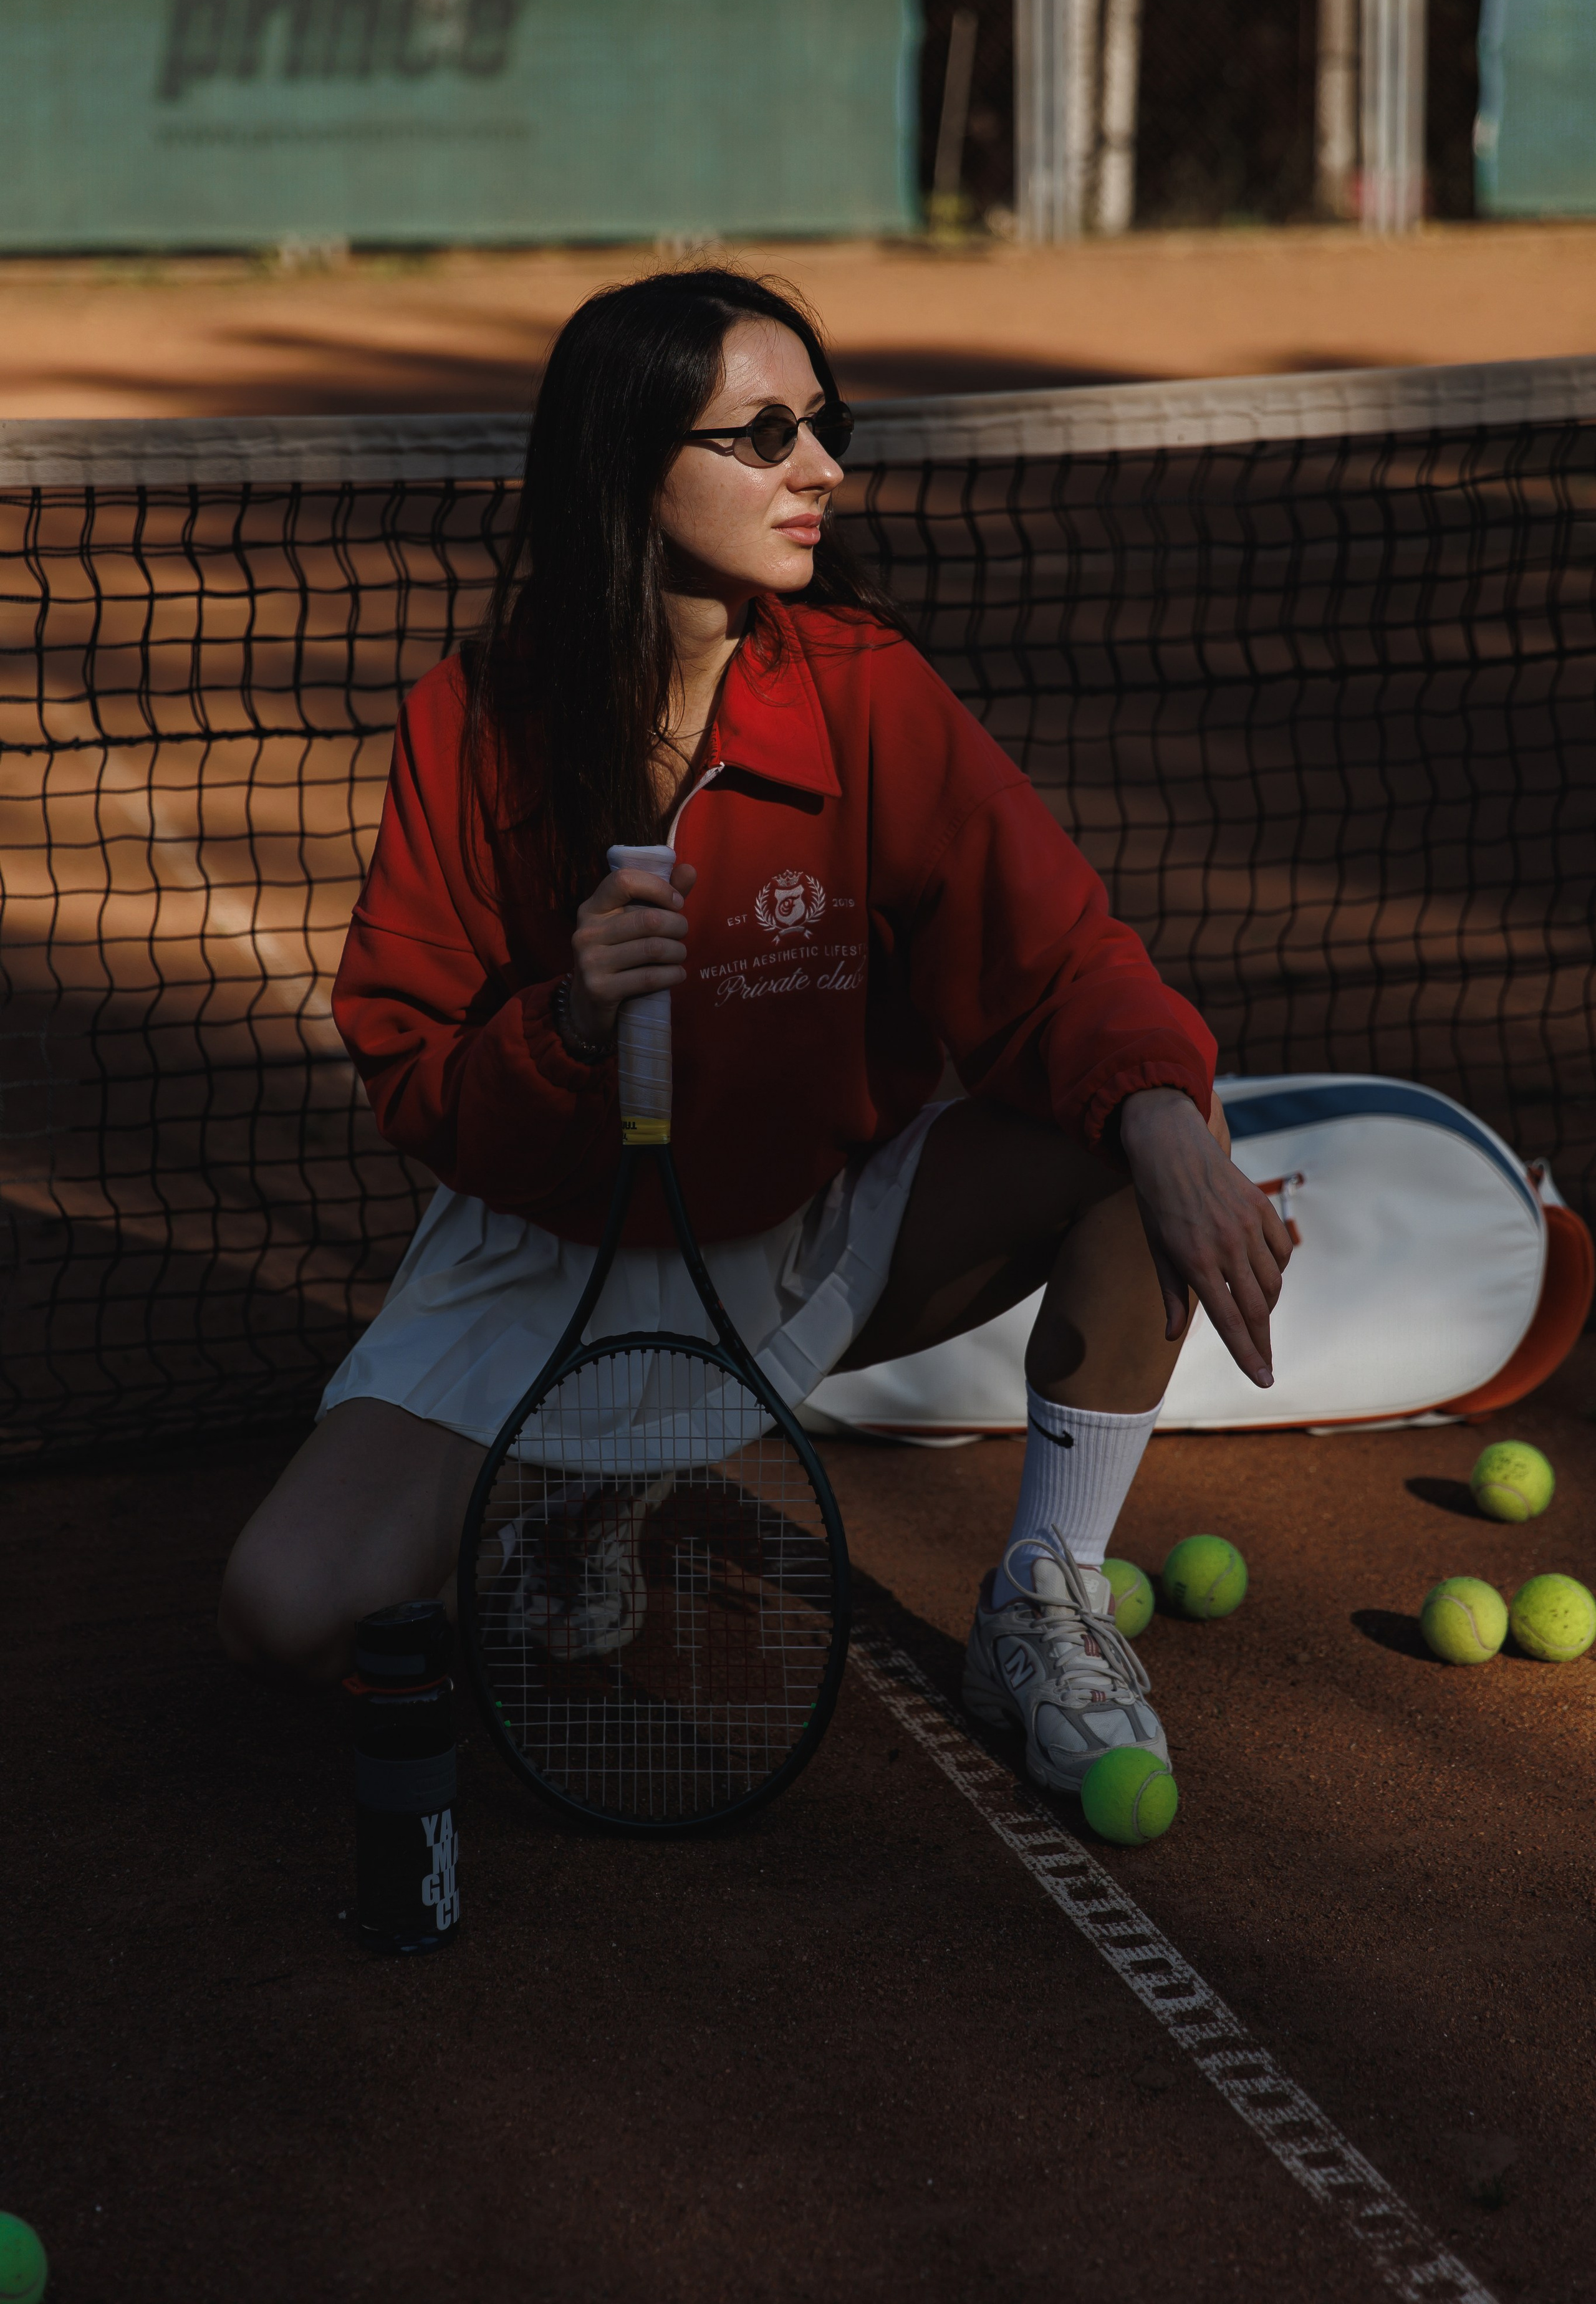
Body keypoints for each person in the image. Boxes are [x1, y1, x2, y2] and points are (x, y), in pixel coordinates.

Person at [218, 267, 1291, 1796]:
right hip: (547, 1252)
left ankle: (1041, 1596)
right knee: (283, 1611)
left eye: (823, 423)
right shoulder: (474, 720)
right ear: (627, 468)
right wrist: (567, 1028)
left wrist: (1169, 1114)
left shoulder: (867, 691)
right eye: (765, 432)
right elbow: (415, 1072)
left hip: (808, 1222)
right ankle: (569, 1497)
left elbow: (1058, 951)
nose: (822, 469)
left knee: (1136, 1129)